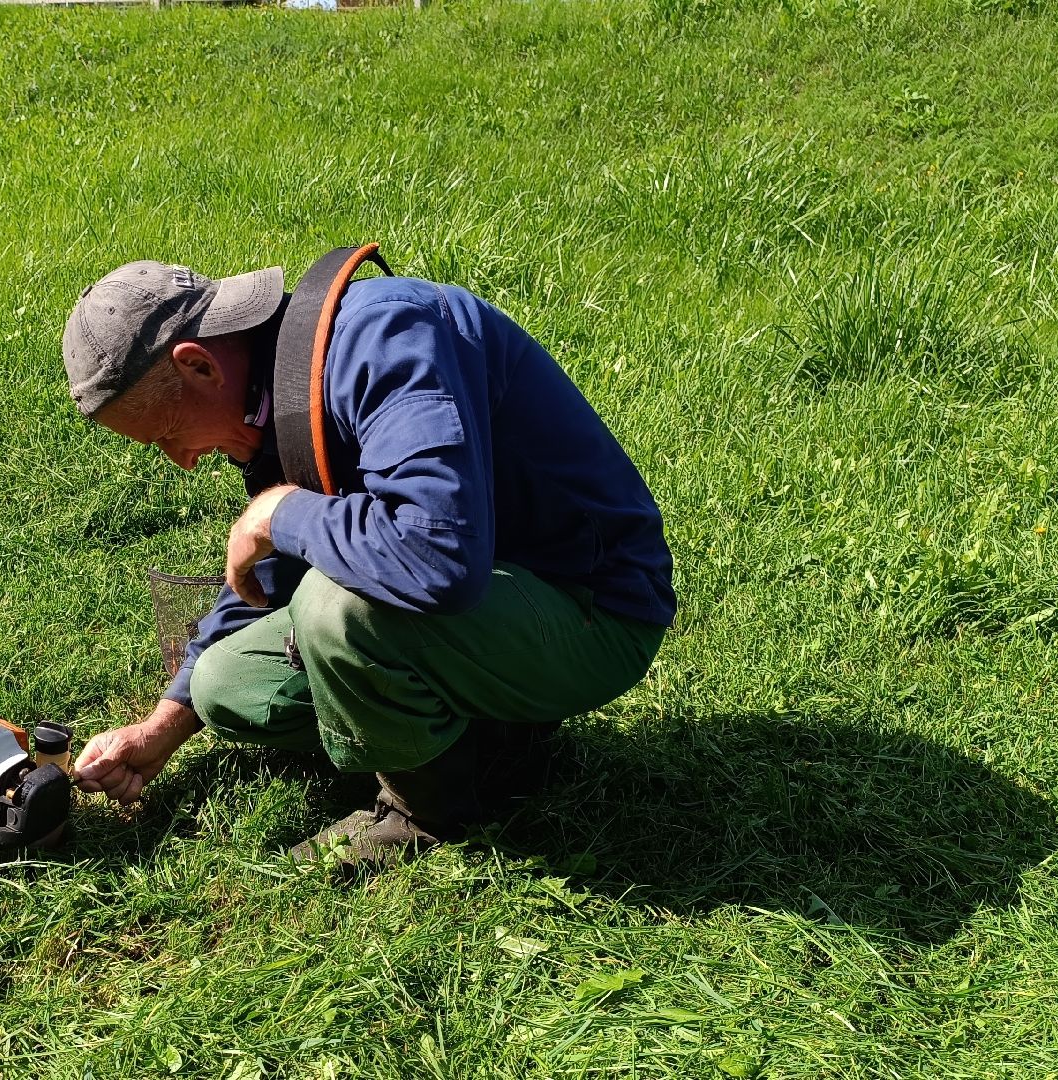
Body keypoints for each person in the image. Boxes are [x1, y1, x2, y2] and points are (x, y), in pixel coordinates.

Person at [60, 257, 674, 865]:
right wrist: (162, 727)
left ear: (197, 364)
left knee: (337, 610)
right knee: (227, 686)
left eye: (166, 432)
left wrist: (282, 514)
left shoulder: (389, 338)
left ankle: (428, 815)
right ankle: (498, 741)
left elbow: (439, 560)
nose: (182, 460)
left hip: (592, 610)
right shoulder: (278, 386)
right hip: (488, 606)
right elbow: (286, 561)